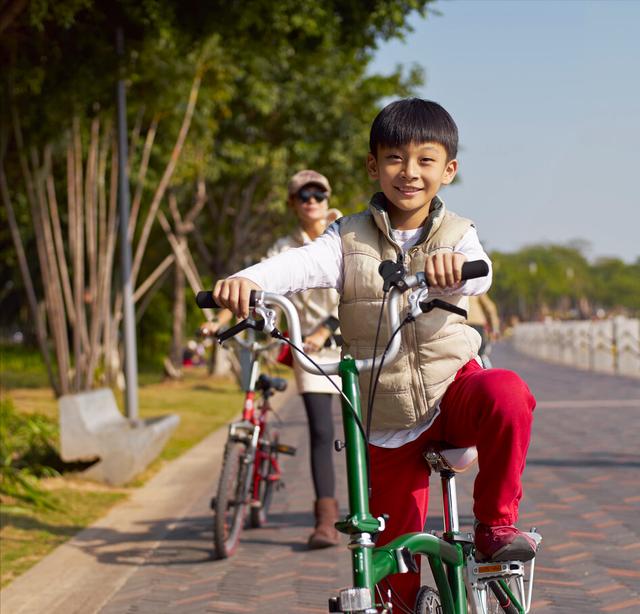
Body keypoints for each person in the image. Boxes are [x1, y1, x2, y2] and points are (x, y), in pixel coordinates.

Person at [212, 99, 536, 609]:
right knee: (390, 577)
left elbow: (482, 268)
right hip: (384, 418)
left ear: (449, 170)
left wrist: (456, 265)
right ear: (372, 165)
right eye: (394, 159)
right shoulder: (346, 237)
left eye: (426, 160)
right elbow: (297, 266)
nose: (409, 173)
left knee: (508, 392)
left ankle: (496, 524)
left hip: (453, 392)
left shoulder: (459, 234)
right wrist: (248, 279)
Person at [204, 170, 343, 549]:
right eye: (303, 195)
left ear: (329, 197)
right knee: (320, 430)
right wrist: (218, 317)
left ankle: (379, 511)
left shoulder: (349, 233)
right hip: (308, 350)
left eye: (319, 193)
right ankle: (326, 521)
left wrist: (325, 329)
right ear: (293, 204)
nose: (312, 200)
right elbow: (252, 284)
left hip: (358, 343)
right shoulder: (285, 247)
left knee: (374, 431)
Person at [467, 293, 500, 366]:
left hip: (460, 324)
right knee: (480, 355)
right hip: (477, 325)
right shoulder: (475, 286)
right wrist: (495, 328)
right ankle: (484, 373)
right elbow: (490, 308)